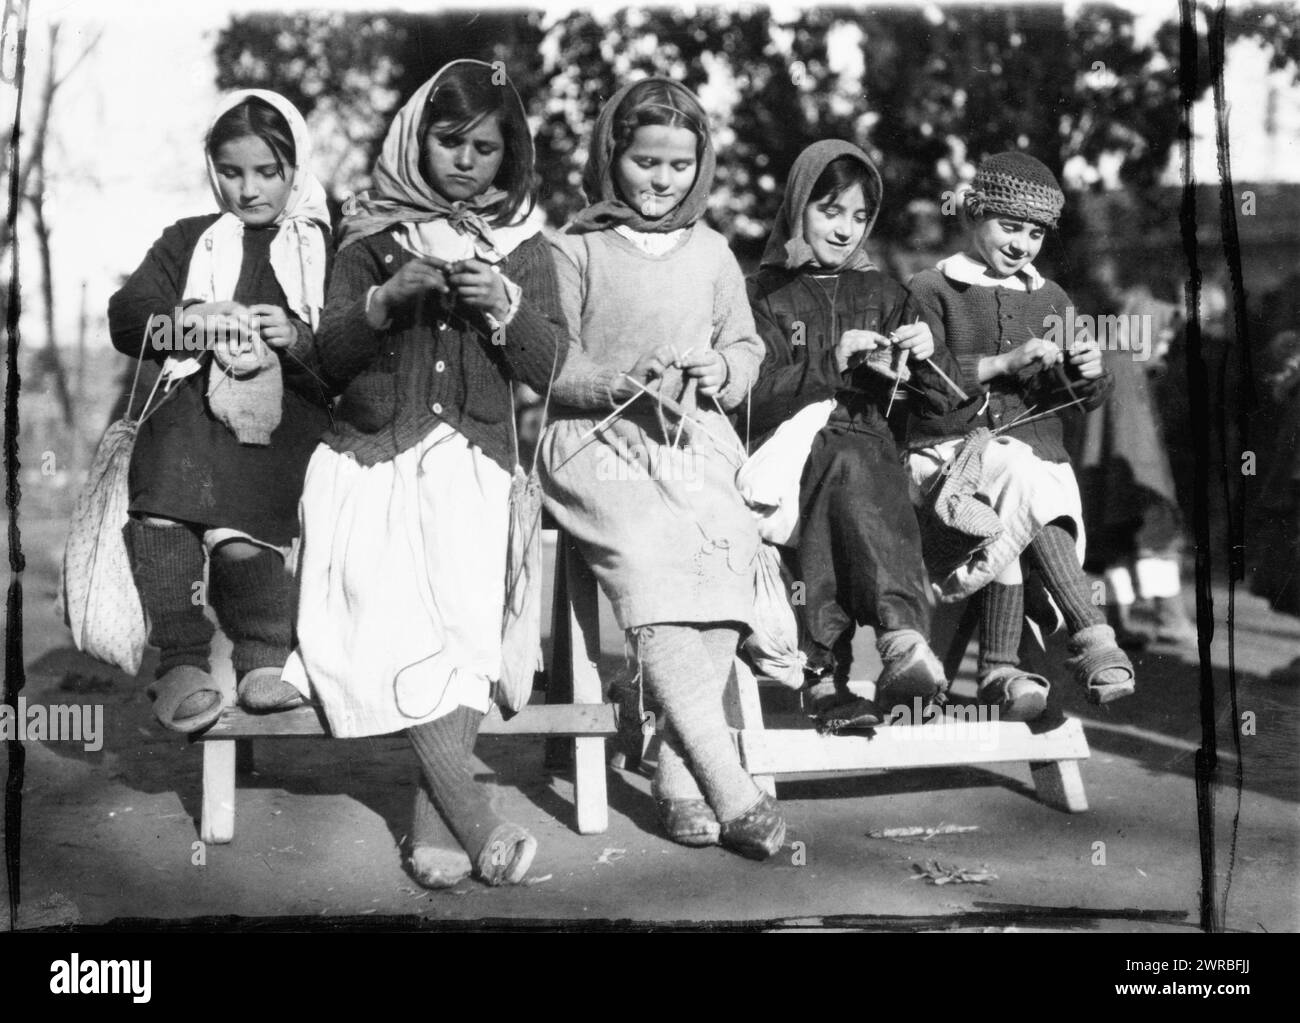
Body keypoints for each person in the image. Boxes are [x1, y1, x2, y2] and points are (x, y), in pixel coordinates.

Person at [281, 61, 569, 889]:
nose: (467, 162)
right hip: (371, 455)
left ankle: (435, 811)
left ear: (510, 155)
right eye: (449, 143)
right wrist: (382, 302)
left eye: (486, 148)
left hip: (475, 459)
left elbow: (549, 365)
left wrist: (505, 307)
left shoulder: (523, 245)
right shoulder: (371, 236)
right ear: (415, 140)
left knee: (465, 614)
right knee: (393, 601)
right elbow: (327, 362)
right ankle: (470, 812)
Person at [538, 78, 785, 859]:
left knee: (728, 541)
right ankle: (727, 782)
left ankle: (677, 770)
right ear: (612, 155)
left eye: (680, 165)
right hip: (595, 439)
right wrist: (615, 379)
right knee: (650, 551)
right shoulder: (573, 247)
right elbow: (547, 360)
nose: (662, 179)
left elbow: (746, 347)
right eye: (645, 161)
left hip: (690, 437)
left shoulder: (712, 252)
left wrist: (722, 368)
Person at [108, 90, 332, 733]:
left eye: (268, 171)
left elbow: (351, 346)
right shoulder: (190, 241)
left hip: (283, 421)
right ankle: (181, 660)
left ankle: (264, 657)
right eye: (231, 172)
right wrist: (191, 319)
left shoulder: (327, 243)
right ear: (213, 170)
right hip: (190, 420)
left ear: (296, 167)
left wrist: (297, 337)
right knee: (162, 508)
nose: (249, 189)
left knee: (242, 540)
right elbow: (128, 320)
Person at [906, 151, 1134, 721]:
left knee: (1029, 484)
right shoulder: (932, 288)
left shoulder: (1052, 297)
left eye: (1035, 233)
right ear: (974, 215)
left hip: (1031, 459)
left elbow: (1081, 399)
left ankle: (1000, 674)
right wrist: (1002, 363)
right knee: (1024, 483)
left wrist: (1087, 371)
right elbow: (922, 387)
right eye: (1009, 227)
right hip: (949, 456)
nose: (1022, 245)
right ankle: (1091, 637)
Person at [744, 139, 950, 726]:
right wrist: (831, 362)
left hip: (872, 455)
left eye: (859, 216)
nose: (844, 230)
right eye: (829, 210)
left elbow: (939, 408)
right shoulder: (761, 294)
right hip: (786, 458)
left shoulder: (886, 293)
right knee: (847, 458)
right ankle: (901, 638)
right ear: (798, 206)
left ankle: (826, 671)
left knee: (855, 459)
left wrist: (925, 359)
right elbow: (749, 397)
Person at [1068, 259, 1195, 648]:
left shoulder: (1106, 352)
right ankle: (1171, 618)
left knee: (1109, 540)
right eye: (1163, 334)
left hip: (1097, 466)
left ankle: (1117, 622)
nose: (1166, 344)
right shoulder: (1125, 361)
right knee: (1155, 533)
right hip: (1135, 468)